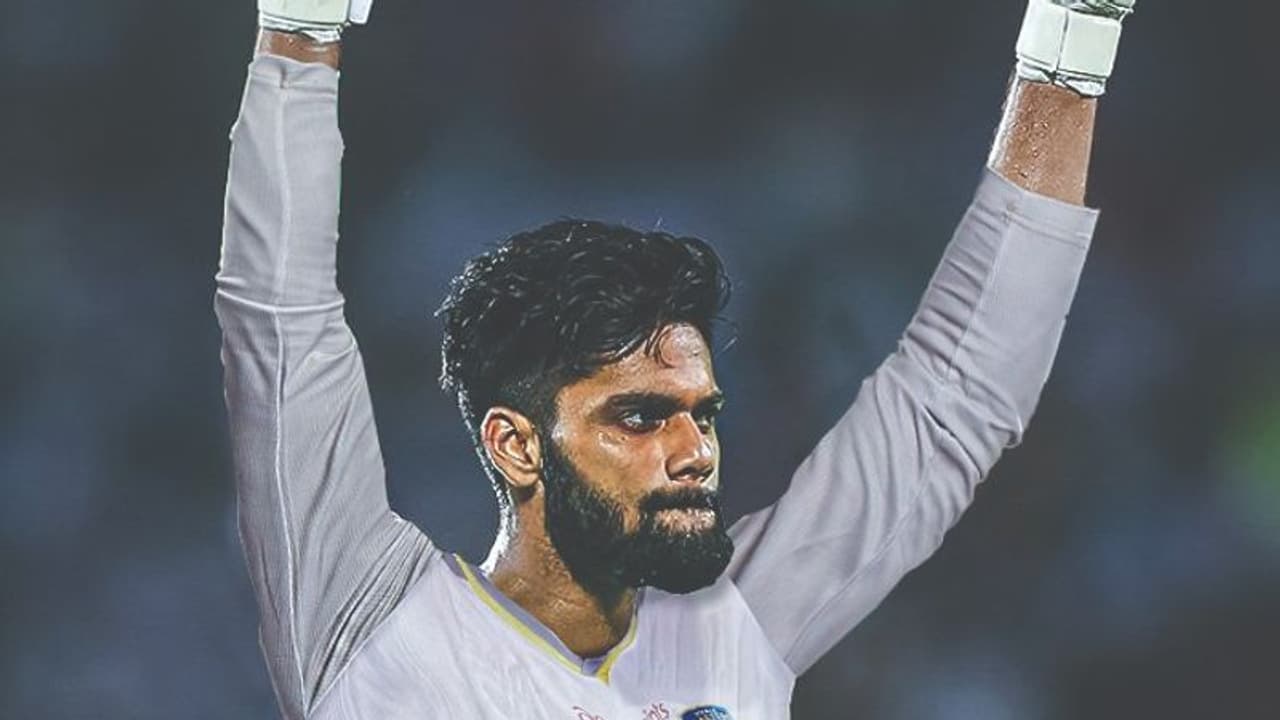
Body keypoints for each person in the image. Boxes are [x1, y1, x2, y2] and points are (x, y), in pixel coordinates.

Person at [215, 1, 1137, 718]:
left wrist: (1076, 32)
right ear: (517, 444)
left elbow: (956, 400)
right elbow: (279, 324)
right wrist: (302, 26)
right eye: (641, 417)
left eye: (702, 413)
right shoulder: (369, 624)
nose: (695, 450)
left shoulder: (732, 630)